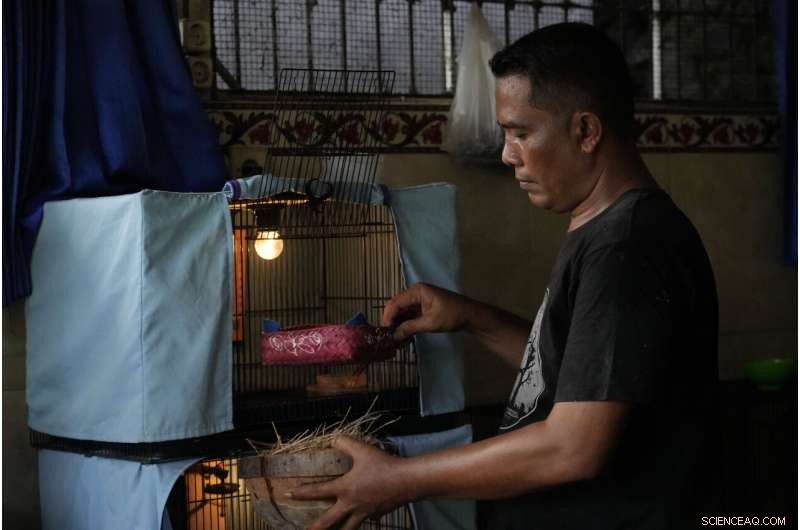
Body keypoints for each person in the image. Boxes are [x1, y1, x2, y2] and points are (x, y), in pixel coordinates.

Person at [292, 22, 720, 530]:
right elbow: (578, 376)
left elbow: (572, 447)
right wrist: (473, 319)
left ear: (586, 131)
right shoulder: (604, 230)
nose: (506, 154)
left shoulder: (626, 248)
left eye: (520, 132)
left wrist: (399, 479)